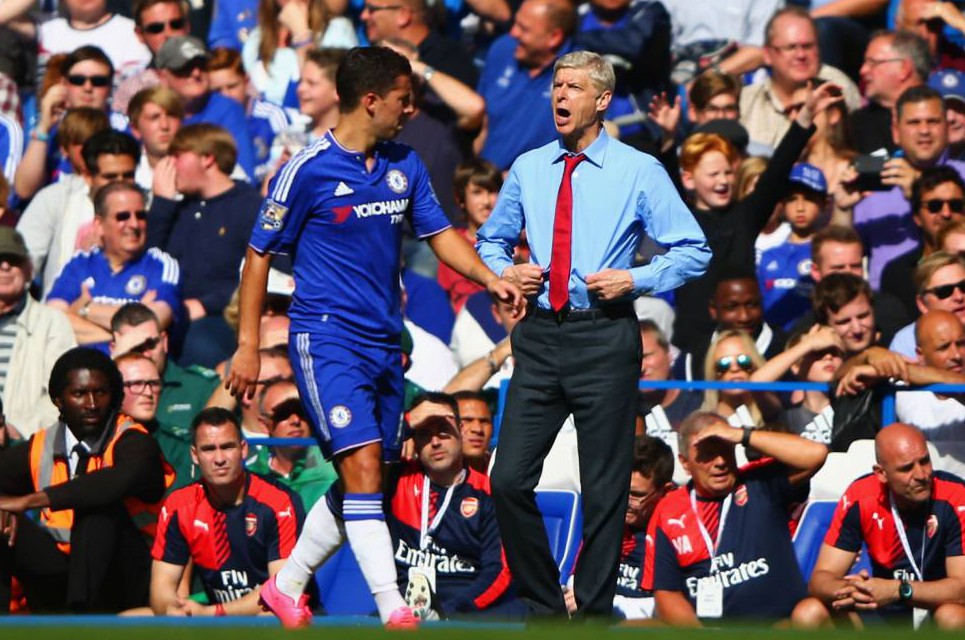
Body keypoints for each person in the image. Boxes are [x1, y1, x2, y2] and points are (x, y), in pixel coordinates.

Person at [225, 46, 522, 629]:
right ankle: (394, 607)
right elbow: (258, 256)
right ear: (370, 100)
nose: (412, 109)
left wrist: (490, 277)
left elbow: (439, 234)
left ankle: (285, 586)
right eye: (404, 99)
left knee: (372, 474)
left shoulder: (404, 164)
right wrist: (245, 345)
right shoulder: (305, 169)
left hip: (387, 343)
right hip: (327, 337)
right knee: (362, 467)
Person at [476, 50, 710, 620]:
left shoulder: (639, 170)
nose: (559, 96)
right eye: (556, 85)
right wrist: (507, 269)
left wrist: (638, 278)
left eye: (573, 87)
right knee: (507, 480)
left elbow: (694, 249)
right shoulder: (529, 167)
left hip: (604, 335)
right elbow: (490, 240)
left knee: (606, 489)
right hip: (540, 334)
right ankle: (545, 606)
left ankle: (595, 611)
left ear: (602, 101)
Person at [0, 347, 171, 612]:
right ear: (59, 400)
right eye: (80, 394)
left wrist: (29, 501)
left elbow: (115, 481)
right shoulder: (42, 445)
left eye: (100, 393)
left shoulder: (135, 439)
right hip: (61, 567)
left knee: (97, 509)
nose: (92, 404)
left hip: (127, 573)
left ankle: (83, 623)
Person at [643, 411, 828, 625]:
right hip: (707, 630)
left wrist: (741, 434)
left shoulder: (760, 483)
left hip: (777, 626)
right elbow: (667, 592)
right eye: (707, 454)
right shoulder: (669, 509)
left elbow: (816, 453)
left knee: (811, 612)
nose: (720, 462)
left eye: (725, 450)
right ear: (685, 463)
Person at [792, 423, 965, 630]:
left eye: (925, 461)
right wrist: (853, 590)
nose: (921, 475)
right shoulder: (861, 495)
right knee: (808, 612)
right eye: (906, 468)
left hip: (935, 608)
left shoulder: (956, 495)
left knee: (953, 617)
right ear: (881, 473)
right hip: (880, 610)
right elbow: (820, 580)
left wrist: (898, 590)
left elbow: (961, 589)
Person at [150, 407, 305, 616]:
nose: (219, 458)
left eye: (227, 447)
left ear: (243, 449)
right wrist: (172, 610)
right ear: (195, 455)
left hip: (278, 616)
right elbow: (161, 587)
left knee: (268, 618)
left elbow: (281, 592)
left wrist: (211, 613)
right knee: (127, 621)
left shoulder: (278, 502)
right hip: (212, 616)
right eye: (208, 449)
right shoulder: (179, 505)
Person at [385, 392, 517, 619]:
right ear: (414, 441)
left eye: (444, 432)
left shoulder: (489, 493)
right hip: (402, 607)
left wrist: (450, 613)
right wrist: (404, 425)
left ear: (460, 431)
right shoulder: (395, 481)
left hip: (465, 608)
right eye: (425, 434)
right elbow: (357, 471)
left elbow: (499, 571)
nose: (435, 442)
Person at [148, 123, 262, 367]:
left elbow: (259, 272)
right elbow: (152, 260)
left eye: (177, 156)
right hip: (169, 311)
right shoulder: (178, 209)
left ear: (207, 158)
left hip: (222, 317)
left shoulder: (250, 207)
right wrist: (161, 204)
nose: (168, 165)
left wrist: (206, 303)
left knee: (199, 346)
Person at [852, 85, 965, 289]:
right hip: (891, 306)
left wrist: (919, 189)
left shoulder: (963, 175)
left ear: (947, 128)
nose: (924, 131)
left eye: (933, 121)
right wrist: (841, 210)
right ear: (896, 131)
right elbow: (846, 254)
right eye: (914, 122)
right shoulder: (874, 183)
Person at [47, 182, 182, 348]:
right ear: (99, 224)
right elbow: (53, 321)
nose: (134, 224)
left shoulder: (161, 266)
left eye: (140, 215)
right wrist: (125, 330)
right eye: (123, 216)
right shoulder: (78, 263)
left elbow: (151, 323)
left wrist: (84, 309)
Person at [17, 126, 138, 299]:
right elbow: (22, 263)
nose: (120, 184)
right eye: (110, 177)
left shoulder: (146, 208)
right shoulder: (56, 199)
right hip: (59, 313)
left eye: (128, 175)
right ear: (88, 176)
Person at [566, 435, 674, 620]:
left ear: (665, 491)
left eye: (636, 495)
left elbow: (667, 608)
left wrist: (601, 603)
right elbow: (577, 580)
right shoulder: (605, 521)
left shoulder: (672, 534)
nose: (627, 502)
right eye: (621, 491)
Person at [739, 7, 861, 154]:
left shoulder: (839, 87)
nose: (801, 55)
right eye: (791, 47)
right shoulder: (747, 101)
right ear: (767, 54)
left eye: (808, 46)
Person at [476, 0, 576, 170]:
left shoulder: (579, 72)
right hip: (486, 182)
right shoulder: (503, 48)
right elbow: (483, 123)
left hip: (539, 187)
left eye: (524, 28)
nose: (513, 33)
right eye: (515, 23)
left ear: (554, 37)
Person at [0, 227, 75, 438]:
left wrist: (15, 430)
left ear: (29, 269)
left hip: (21, 451)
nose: (5, 266)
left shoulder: (52, 323)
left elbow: (63, 394)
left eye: (13, 261)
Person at [155, 35, 257, 180]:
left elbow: (245, 174)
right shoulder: (152, 112)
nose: (196, 73)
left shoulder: (227, 109)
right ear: (163, 76)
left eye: (201, 65)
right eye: (185, 68)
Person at [882, 167, 965, 319]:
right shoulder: (898, 273)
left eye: (955, 205)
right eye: (934, 206)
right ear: (916, 217)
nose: (946, 213)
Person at [757, 163, 829, 331]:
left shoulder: (827, 254)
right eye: (792, 199)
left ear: (825, 204)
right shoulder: (768, 255)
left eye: (809, 199)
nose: (800, 208)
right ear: (782, 204)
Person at [247, 378, 337, 510]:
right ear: (264, 425)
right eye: (283, 413)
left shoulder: (333, 469)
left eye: (302, 411)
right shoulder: (250, 473)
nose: (295, 420)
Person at [851, 30, 930, 156]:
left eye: (873, 63)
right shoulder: (857, 124)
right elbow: (851, 165)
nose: (863, 70)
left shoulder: (945, 113)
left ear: (904, 68)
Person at [437, 160, 502, 312]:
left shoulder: (518, 245)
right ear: (460, 199)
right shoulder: (451, 247)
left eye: (492, 191)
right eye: (477, 192)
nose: (487, 201)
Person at [112, 0, 192, 113]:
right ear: (139, 34)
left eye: (176, 24)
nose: (168, 34)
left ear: (188, 26)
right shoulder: (131, 91)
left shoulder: (211, 77)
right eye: (156, 28)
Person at [889, 252, 965, 358]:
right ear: (922, 304)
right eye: (944, 291)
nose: (959, 297)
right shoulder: (906, 342)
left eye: (963, 286)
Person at [128, 86, 184, 193]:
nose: (164, 126)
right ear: (135, 129)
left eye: (171, 116)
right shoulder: (130, 176)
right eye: (154, 117)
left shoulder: (202, 170)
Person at [452, 390, 493, 474]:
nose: (478, 429)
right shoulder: (423, 474)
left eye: (484, 421)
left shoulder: (508, 470)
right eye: (467, 420)